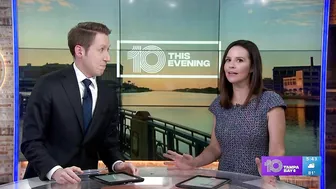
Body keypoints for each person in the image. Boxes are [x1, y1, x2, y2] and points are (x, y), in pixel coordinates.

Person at [21, 22, 138, 184]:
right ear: (80, 51)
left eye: (108, 49)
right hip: (45, 182)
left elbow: (108, 144)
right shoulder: (48, 85)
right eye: (101, 49)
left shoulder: (108, 94)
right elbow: (31, 142)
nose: (107, 57)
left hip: (87, 182)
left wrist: (118, 164)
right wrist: (55, 171)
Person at [163, 40, 286, 184]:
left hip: (261, 183)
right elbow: (215, 148)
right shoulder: (219, 104)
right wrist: (194, 163)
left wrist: (269, 174)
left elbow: (277, 151)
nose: (231, 65)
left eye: (239, 60)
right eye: (228, 60)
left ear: (252, 67)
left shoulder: (270, 101)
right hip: (224, 184)